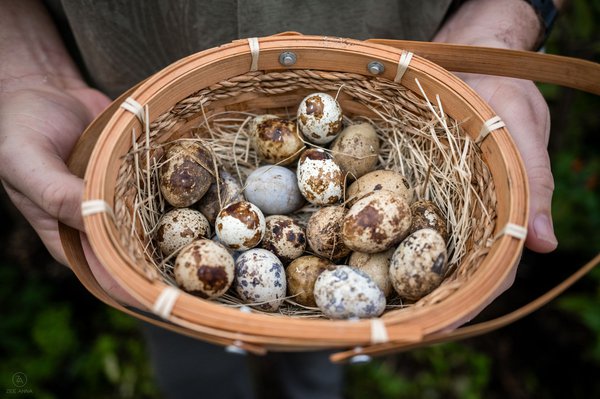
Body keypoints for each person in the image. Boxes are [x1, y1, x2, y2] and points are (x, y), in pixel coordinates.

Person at [0, 0, 561, 398]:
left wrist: (496, 32)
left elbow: (344, 238)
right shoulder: (229, 199)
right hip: (119, 111)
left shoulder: (330, 199)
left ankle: (315, 379)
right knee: (184, 335)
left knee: (326, 342)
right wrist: (28, 73)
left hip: (422, 71)